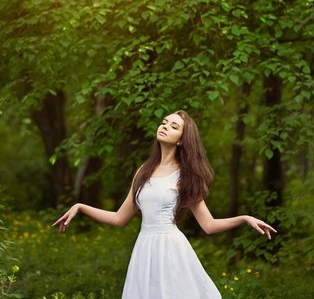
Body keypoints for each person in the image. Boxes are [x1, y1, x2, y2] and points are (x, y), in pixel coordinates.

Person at [52, 110, 277, 299]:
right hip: (144, 250)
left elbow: (208, 225)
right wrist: (80, 206)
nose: (165, 126)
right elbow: (119, 218)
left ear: (181, 139)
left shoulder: (186, 176)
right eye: (164, 122)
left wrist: (245, 218)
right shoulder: (143, 171)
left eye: (173, 126)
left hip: (171, 251)